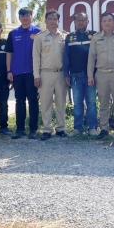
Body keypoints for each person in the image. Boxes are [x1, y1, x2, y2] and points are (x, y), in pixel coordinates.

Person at [88, 12, 114, 139]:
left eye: (110, 20)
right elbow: (91, 57)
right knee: (103, 103)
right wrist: (90, 75)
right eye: (104, 21)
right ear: (101, 23)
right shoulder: (96, 38)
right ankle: (104, 128)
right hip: (101, 74)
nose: (107, 23)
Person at [6, 8, 41, 139]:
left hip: (33, 73)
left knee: (33, 101)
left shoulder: (38, 32)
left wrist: (39, 73)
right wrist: (9, 71)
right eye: (22, 15)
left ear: (32, 16)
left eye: (27, 15)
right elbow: (9, 53)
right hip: (18, 73)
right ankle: (20, 129)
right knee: (19, 101)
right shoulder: (13, 33)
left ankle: (33, 129)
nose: (25, 18)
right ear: (19, 18)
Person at [33, 11, 68, 140]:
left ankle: (61, 128)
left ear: (58, 21)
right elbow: (35, 57)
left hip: (60, 74)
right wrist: (36, 75)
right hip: (45, 74)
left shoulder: (64, 36)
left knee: (61, 102)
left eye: (55, 19)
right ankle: (47, 129)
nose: (53, 21)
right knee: (46, 103)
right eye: (50, 19)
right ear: (46, 21)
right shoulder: (40, 37)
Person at [63, 12, 98, 136]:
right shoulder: (70, 37)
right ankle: (78, 128)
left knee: (92, 103)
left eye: (83, 20)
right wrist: (66, 74)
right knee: (77, 103)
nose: (81, 22)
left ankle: (92, 127)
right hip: (75, 75)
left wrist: (95, 73)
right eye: (78, 20)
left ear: (88, 21)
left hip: (91, 76)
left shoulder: (94, 35)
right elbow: (66, 57)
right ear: (74, 22)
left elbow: (98, 55)